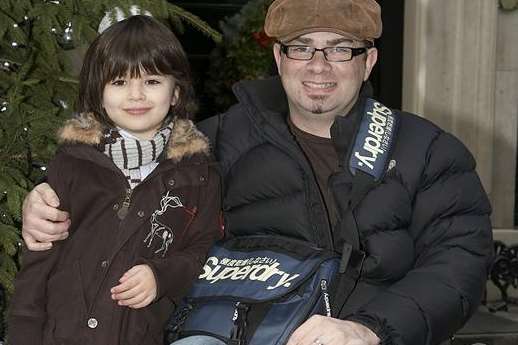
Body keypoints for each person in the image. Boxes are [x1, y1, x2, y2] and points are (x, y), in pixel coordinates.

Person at [21, 0, 494, 344]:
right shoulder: (207, 144)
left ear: (368, 61)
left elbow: (459, 264)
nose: (319, 66)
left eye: (341, 49)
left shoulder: (426, 150)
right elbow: (112, 185)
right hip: (234, 329)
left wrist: (370, 328)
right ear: (278, 57)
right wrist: (42, 201)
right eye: (301, 48)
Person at [9, 15, 222, 345]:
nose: (135, 95)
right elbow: (40, 258)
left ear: (176, 92)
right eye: (119, 82)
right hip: (61, 334)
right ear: (99, 92)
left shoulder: (198, 173)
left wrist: (161, 276)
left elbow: (203, 249)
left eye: (151, 81)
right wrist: (23, 333)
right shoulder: (73, 163)